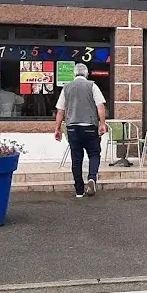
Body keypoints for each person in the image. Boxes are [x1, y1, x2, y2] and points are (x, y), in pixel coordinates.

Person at [54, 63, 107, 198]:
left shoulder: (66, 87)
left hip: (72, 127)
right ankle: (92, 178)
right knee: (94, 154)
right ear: (87, 74)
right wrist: (102, 124)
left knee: (76, 159)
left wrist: (58, 128)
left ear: (74, 74)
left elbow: (60, 111)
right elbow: (100, 106)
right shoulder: (92, 86)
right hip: (90, 126)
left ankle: (79, 190)